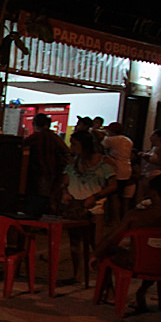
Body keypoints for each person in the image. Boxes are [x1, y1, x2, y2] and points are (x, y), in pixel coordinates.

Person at [92, 173, 161, 312]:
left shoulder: (136, 215)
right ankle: (142, 291)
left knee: (107, 251)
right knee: (158, 255)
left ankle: (110, 294)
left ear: (153, 193)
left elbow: (111, 238)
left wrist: (96, 254)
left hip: (135, 262)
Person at [61, 129, 117, 281]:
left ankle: (103, 277)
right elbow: (65, 182)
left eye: (75, 144)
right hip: (75, 206)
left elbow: (113, 185)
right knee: (74, 243)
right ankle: (77, 274)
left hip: (94, 207)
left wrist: (96, 196)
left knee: (96, 244)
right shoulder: (74, 163)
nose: (72, 147)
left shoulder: (103, 163)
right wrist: (65, 193)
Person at [22, 113, 70, 218]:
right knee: (49, 196)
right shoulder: (54, 137)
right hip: (54, 172)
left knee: (39, 196)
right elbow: (66, 151)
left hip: (40, 172)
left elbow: (21, 145)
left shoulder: (37, 136)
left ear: (34, 124)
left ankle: (35, 217)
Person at [101, 122, 134, 221]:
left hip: (116, 170)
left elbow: (101, 146)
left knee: (113, 196)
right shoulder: (128, 140)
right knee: (120, 196)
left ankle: (115, 219)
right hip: (127, 169)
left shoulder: (111, 140)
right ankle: (120, 219)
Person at [136, 129, 161, 204]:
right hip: (146, 174)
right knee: (140, 195)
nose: (150, 137)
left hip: (154, 174)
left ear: (160, 137)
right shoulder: (153, 148)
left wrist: (149, 160)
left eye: (153, 135)